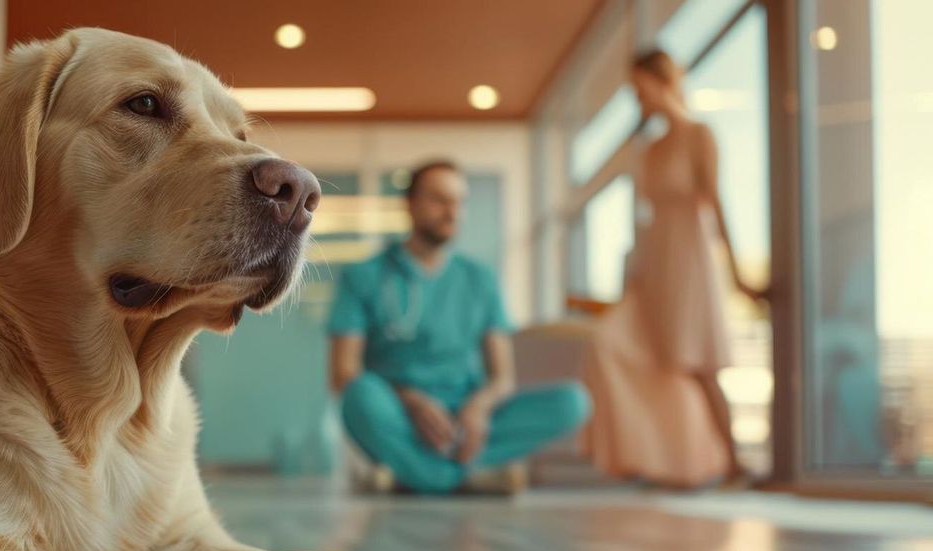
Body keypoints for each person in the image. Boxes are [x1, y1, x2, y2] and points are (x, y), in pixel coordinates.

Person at [327, 160, 591, 494]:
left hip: (466, 419)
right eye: (439, 199)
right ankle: (463, 476)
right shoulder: (364, 276)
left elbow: (502, 378)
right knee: (359, 396)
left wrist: (478, 410)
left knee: (573, 402)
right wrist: (414, 402)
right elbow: (343, 373)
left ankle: (416, 474)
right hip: (399, 416)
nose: (452, 211)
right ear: (409, 204)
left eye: (459, 202)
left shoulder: (480, 280)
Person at [582, 49, 767, 487]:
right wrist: (632, 277)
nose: (635, 97)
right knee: (614, 345)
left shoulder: (700, 134)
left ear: (659, 80)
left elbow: (715, 205)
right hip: (654, 264)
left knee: (698, 362)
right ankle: (660, 460)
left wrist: (737, 274)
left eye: (637, 86)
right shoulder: (649, 150)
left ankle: (735, 464)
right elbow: (643, 223)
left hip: (691, 260)